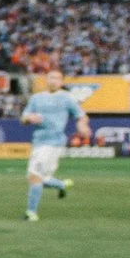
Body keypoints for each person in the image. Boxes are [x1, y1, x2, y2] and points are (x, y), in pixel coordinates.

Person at [19, 74, 86, 221]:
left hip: (53, 143)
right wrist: (29, 118)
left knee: (34, 176)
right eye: (51, 77)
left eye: (57, 78)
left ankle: (31, 213)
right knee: (41, 178)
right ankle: (61, 185)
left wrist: (82, 126)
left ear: (61, 82)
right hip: (38, 142)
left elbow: (81, 115)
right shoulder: (36, 98)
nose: (53, 80)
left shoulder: (67, 98)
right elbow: (23, 118)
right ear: (46, 80)